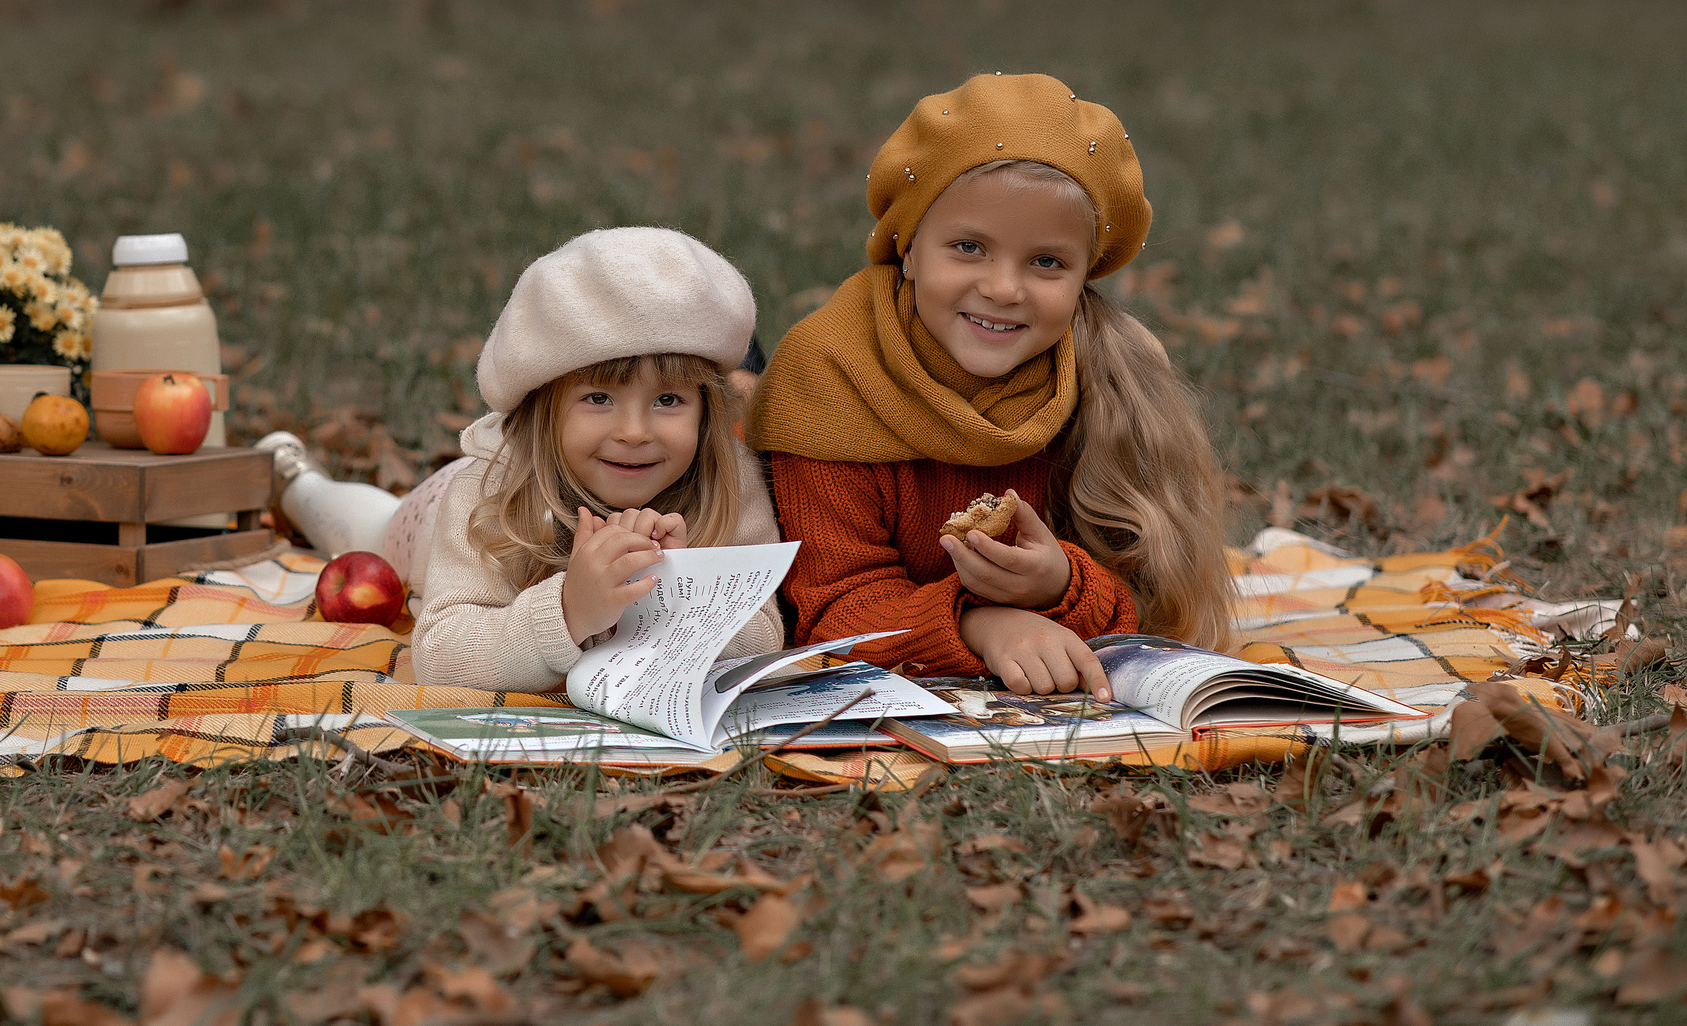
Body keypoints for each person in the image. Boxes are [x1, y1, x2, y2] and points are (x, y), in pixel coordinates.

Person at [748, 73, 1234, 700]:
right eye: (969, 247)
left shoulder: (1105, 380)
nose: (1004, 288)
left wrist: (1060, 585)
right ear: (909, 249)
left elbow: (1151, 593)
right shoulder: (829, 378)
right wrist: (979, 624)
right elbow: (830, 613)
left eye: (1047, 262)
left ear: (1086, 272)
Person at [384, 226, 783, 693]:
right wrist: (570, 611)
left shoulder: (730, 480)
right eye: (598, 397)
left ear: (707, 411)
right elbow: (440, 659)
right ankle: (302, 485)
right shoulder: (487, 492)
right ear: (543, 407)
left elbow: (767, 635)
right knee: (367, 526)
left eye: (669, 400)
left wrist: (686, 590)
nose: (634, 433)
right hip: (429, 518)